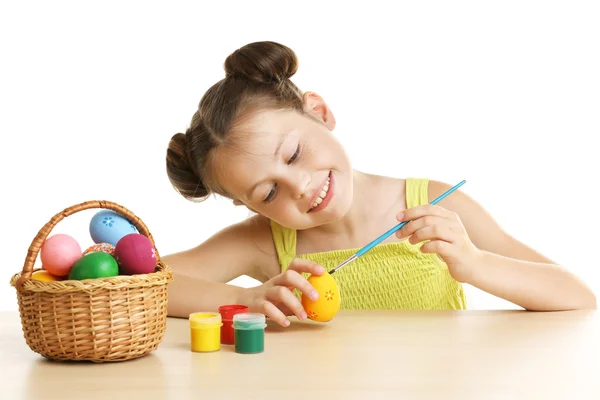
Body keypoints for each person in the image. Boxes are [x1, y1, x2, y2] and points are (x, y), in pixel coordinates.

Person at [163, 41, 596, 327]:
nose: (298, 185)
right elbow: (144, 285)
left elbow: (577, 297)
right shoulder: (264, 242)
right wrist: (250, 298)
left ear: (319, 111)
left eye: (293, 154)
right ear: (250, 207)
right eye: (268, 193)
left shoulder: (433, 204)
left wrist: (476, 263)